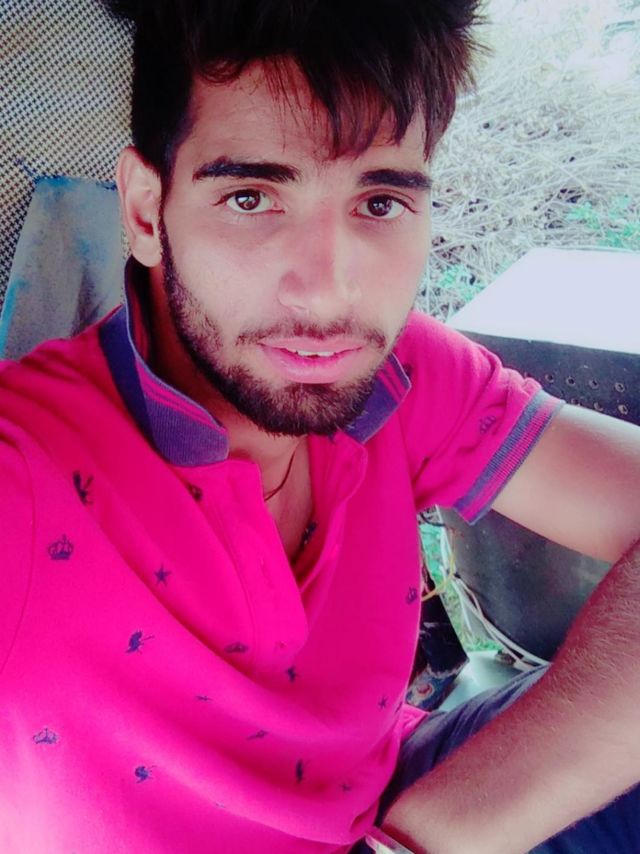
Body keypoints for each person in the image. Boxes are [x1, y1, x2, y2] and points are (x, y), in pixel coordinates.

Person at [1, 1, 639, 851]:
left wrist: (428, 837)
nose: (330, 291)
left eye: (380, 202)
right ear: (147, 212)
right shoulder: (26, 472)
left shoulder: (403, 370)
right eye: (252, 197)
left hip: (401, 802)